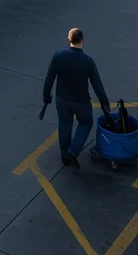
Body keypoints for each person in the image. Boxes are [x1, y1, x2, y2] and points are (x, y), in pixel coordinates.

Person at [43, 28, 110, 169]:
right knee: (86, 122)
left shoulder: (58, 56)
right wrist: (105, 104)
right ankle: (73, 151)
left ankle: (64, 153)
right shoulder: (88, 61)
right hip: (81, 101)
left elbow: (49, 79)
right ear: (82, 41)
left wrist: (46, 97)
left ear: (69, 40)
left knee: (64, 123)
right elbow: (97, 85)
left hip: (61, 99)